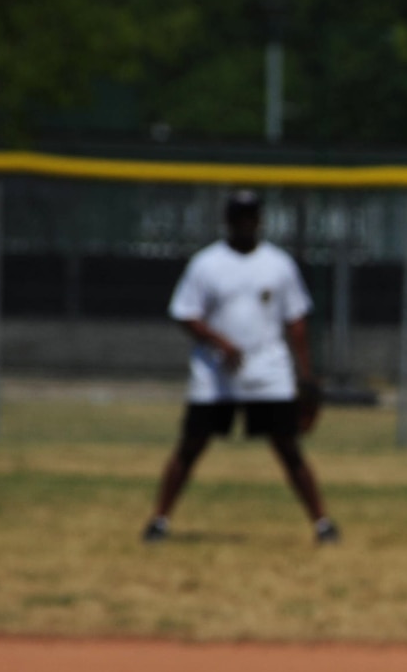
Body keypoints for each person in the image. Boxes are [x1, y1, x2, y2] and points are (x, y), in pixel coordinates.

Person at [143, 189, 338, 545]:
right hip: (215, 372)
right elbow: (185, 313)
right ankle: (159, 520)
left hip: (269, 369)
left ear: (259, 219)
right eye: (238, 215)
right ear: (228, 220)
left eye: (251, 215)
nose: (245, 222)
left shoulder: (278, 264)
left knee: (288, 448)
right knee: (190, 446)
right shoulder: (206, 263)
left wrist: (306, 374)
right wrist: (220, 342)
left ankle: (322, 523)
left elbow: (297, 321)